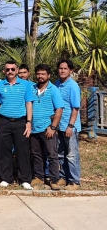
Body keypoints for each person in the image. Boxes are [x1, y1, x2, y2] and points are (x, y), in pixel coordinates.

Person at [0, 61, 34, 190]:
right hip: (4, 121)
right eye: (7, 69)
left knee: (23, 151)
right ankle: (6, 178)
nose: (10, 71)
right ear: (4, 71)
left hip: (21, 122)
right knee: (4, 151)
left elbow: (29, 104)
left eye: (12, 69)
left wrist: (28, 122)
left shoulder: (26, 85)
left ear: (16, 70)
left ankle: (25, 179)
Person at [30, 64, 64, 191]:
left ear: (48, 75)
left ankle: (54, 179)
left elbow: (59, 109)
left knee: (52, 154)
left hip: (47, 127)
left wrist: (53, 127)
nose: (40, 76)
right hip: (34, 128)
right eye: (38, 74)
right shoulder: (32, 88)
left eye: (43, 74)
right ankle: (39, 176)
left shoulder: (53, 89)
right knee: (36, 154)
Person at [54, 59, 82, 190]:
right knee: (60, 153)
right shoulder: (57, 84)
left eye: (65, 68)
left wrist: (70, 126)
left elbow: (75, 108)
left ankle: (74, 181)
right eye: (61, 68)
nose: (62, 71)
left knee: (71, 154)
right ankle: (63, 177)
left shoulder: (73, 86)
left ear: (71, 71)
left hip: (69, 126)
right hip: (59, 125)